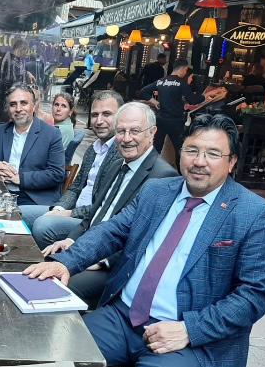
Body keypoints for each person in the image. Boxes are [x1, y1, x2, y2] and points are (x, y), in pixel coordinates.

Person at [24, 114, 265, 367]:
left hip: (185, 338)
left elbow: (252, 296)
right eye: (192, 150)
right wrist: (67, 263)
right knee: (44, 366)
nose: (199, 162)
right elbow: (112, 231)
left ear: (232, 162)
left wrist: (189, 329)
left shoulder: (252, 213)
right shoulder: (157, 191)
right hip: (123, 317)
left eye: (213, 154)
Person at [41, 102, 178, 307]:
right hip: (89, 246)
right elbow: (94, 216)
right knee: (42, 267)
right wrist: (71, 240)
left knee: (54, 285)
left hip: (116, 264)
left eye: (135, 131)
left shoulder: (163, 177)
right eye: (121, 131)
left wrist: (103, 261)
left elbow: (148, 240)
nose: (126, 138)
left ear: (152, 133)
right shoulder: (116, 165)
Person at [20, 90, 124, 247]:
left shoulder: (121, 152)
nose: (99, 121)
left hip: (92, 220)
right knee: (18, 213)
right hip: (73, 210)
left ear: (121, 116)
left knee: (43, 226)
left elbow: (106, 206)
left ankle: (52, 261)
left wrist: (68, 213)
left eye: (107, 114)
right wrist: (59, 208)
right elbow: (75, 188)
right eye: (95, 115)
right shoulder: (93, 148)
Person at [0, 83, 65, 206]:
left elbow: (56, 174)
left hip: (32, 199)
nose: (18, 109)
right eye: (13, 104)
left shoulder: (51, 134)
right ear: (8, 109)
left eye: (24, 103)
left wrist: (20, 178)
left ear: (34, 106)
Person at [139, 59, 217, 165]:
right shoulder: (181, 83)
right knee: (180, 150)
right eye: (186, 70)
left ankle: (148, 167)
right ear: (184, 69)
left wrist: (155, 102)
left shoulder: (161, 81)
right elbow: (193, 100)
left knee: (156, 147)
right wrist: (207, 95)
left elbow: (143, 91)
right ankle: (182, 171)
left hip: (161, 120)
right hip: (176, 122)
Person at [0, 39, 34, 121]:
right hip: (9, 97)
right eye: (25, 50)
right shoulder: (9, 59)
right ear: (20, 49)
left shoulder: (18, 60)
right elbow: (7, 80)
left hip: (15, 96)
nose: (26, 53)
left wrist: (27, 73)